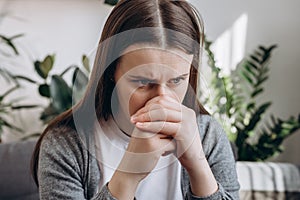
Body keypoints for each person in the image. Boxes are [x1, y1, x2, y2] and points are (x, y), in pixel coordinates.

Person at [31, 0, 240, 199]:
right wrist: (128, 176)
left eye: (176, 80)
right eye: (142, 82)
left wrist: (197, 164)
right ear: (112, 71)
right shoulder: (66, 145)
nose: (161, 99)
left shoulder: (208, 136)